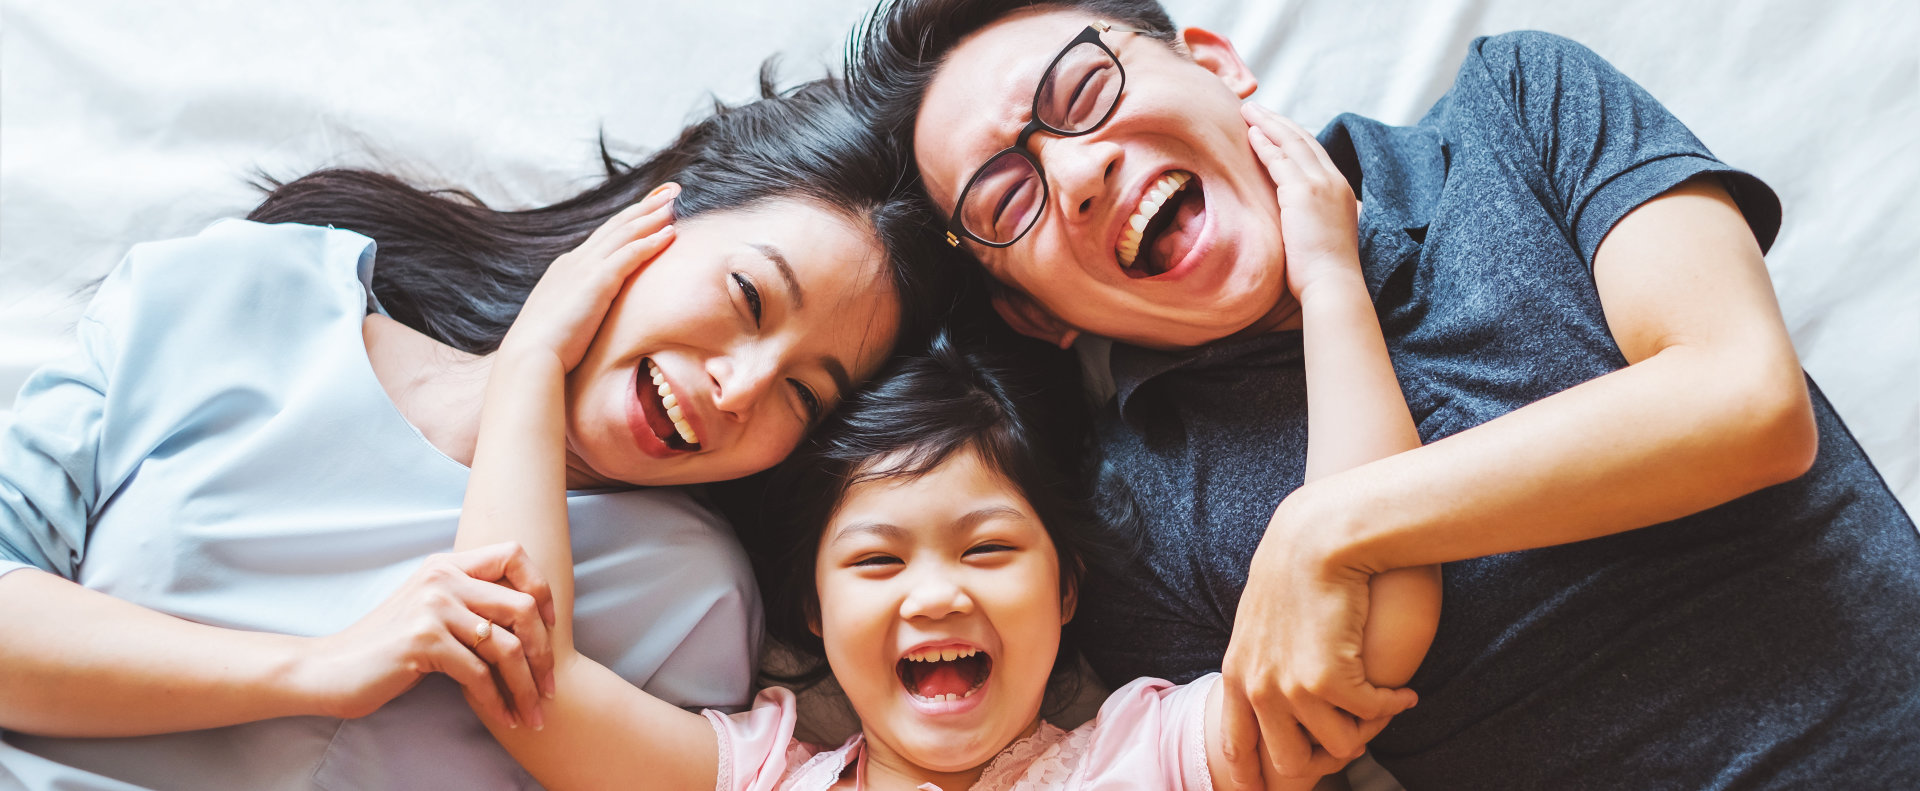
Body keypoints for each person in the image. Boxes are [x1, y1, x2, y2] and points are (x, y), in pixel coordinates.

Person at [845, 0, 1920, 788]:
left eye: (1083, 94)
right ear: (1038, 316)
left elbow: (1744, 401)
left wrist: (1327, 528)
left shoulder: (1520, 105)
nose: (1076, 173)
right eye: (1007, 196)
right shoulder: (1134, 527)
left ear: (1219, 64)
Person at [0, 76, 955, 790]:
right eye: (747, 295)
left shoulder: (689, 599)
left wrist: (534, 373)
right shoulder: (250, 288)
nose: (740, 388)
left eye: (804, 394)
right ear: (653, 218)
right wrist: (315, 669)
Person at [442, 121, 1434, 787]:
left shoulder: (1148, 751)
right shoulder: (765, 770)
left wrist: (1329, 285)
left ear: (1067, 589)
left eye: (989, 549)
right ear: (811, 614)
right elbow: (526, 679)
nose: (937, 595)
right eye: (876, 559)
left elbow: (1368, 622)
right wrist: (532, 361)